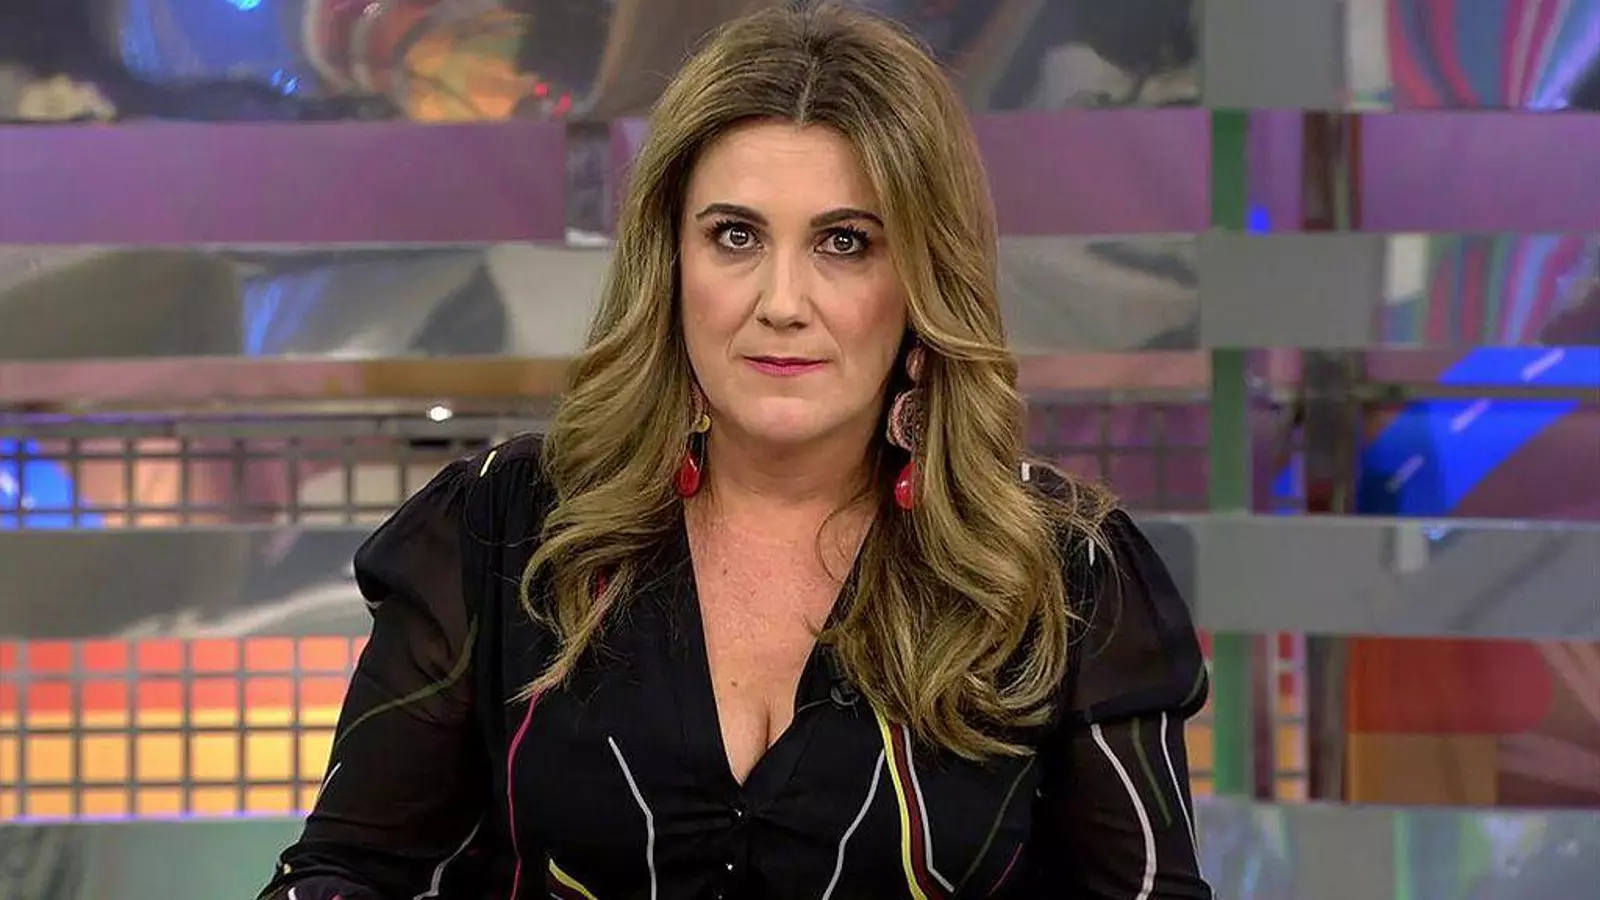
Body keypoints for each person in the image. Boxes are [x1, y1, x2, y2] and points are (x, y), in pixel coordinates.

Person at [260, 5, 1212, 898]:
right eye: (735, 236)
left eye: (845, 242)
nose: (782, 302)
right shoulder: (498, 530)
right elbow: (343, 871)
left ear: (922, 277)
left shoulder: (1065, 576)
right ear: (671, 263)